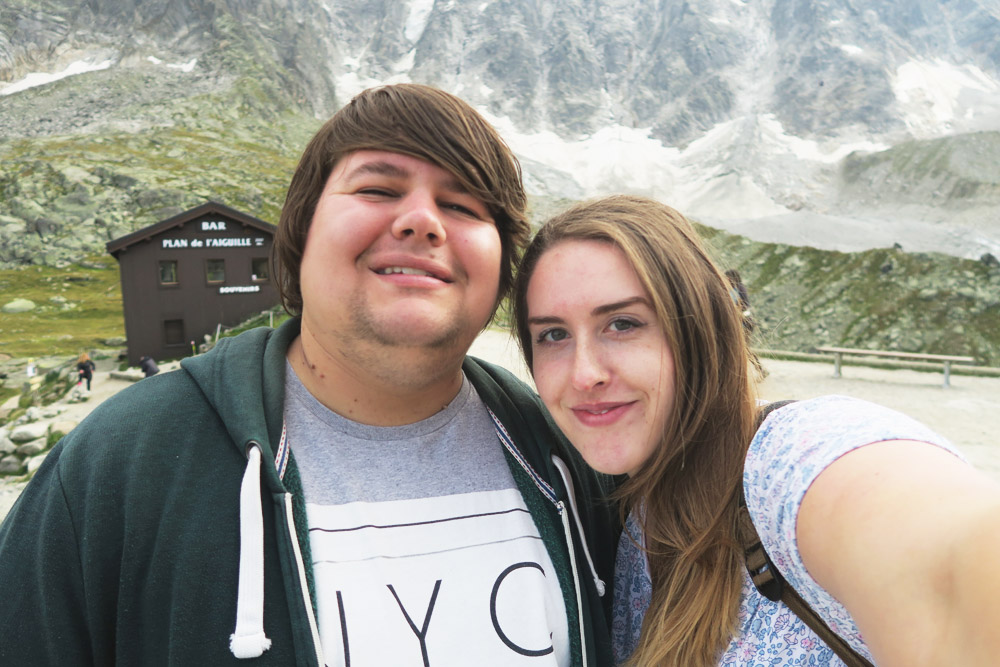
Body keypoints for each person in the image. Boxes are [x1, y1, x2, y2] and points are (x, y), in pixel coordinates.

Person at [0, 85, 617, 666]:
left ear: (504, 266)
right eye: (377, 190)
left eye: (460, 205)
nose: (423, 221)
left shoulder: (575, 457)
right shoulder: (124, 463)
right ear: (301, 234)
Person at [512, 194, 1000, 666]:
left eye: (622, 323)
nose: (583, 374)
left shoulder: (789, 459)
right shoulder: (634, 511)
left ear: (701, 330)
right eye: (552, 334)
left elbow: (955, 560)